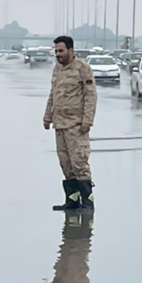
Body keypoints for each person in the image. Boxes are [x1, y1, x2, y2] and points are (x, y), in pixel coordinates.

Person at [43, 35, 97, 211]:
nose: (58, 54)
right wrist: (47, 116)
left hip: (76, 125)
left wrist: (87, 121)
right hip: (60, 124)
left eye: (61, 51)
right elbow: (53, 94)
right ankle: (72, 201)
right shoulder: (57, 70)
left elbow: (90, 96)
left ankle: (88, 204)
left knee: (79, 163)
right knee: (65, 164)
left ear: (70, 50)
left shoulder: (83, 68)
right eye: (56, 51)